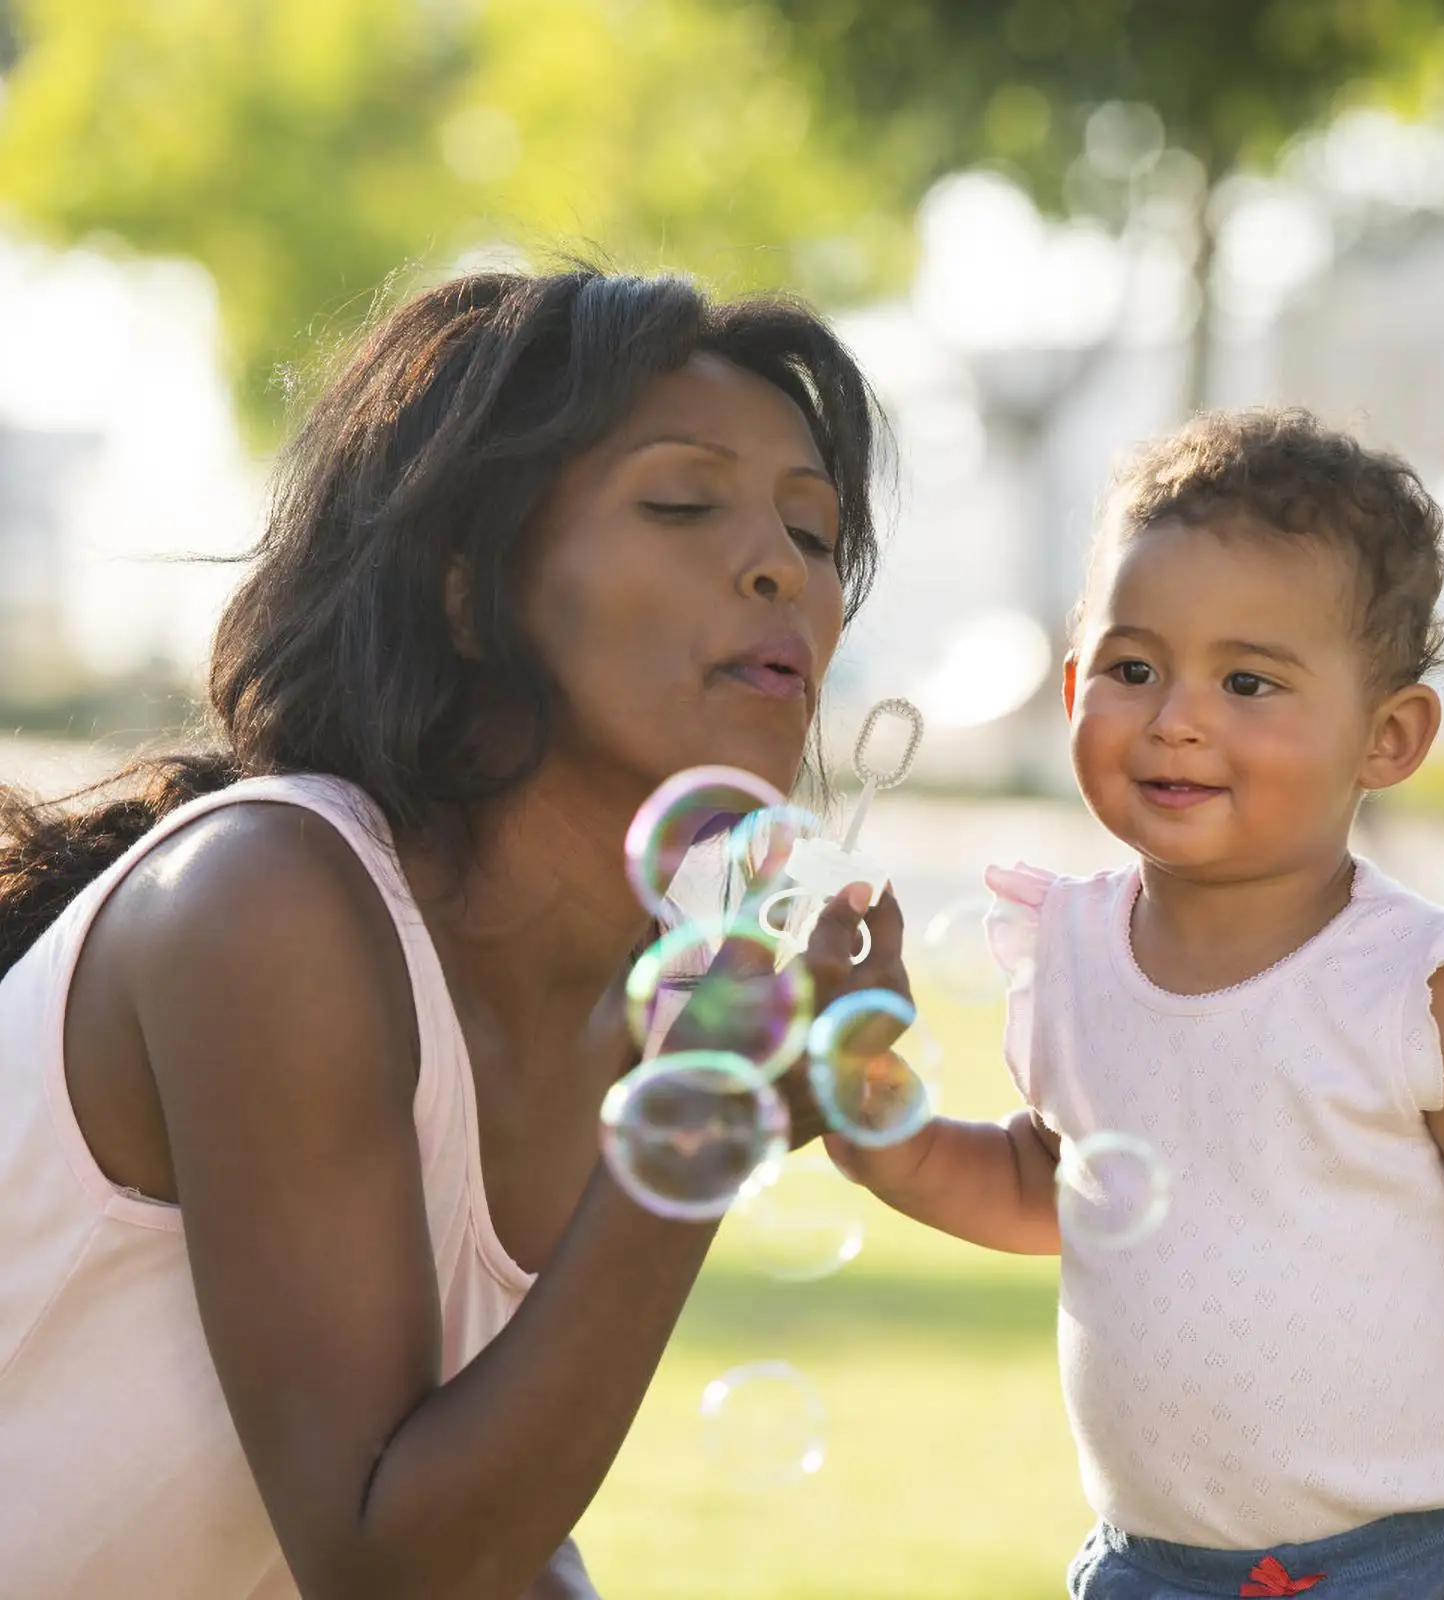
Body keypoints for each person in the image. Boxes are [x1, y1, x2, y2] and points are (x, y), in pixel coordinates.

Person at [0, 266, 910, 1599]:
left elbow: (494, 1522)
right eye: (680, 503)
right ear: (466, 590)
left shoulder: (637, 1007)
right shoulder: (267, 903)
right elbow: (390, 1571)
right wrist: (701, 1127)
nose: (781, 567)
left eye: (816, 532)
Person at [833, 409, 1444, 1597]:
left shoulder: (1431, 988)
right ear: (1075, 684)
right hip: (1155, 1571)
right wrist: (871, 1107)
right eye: (1133, 669)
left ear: (1387, 736)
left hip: (1427, 1562)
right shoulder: (1072, 954)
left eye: (1247, 681)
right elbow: (1051, 1184)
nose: (1175, 717)